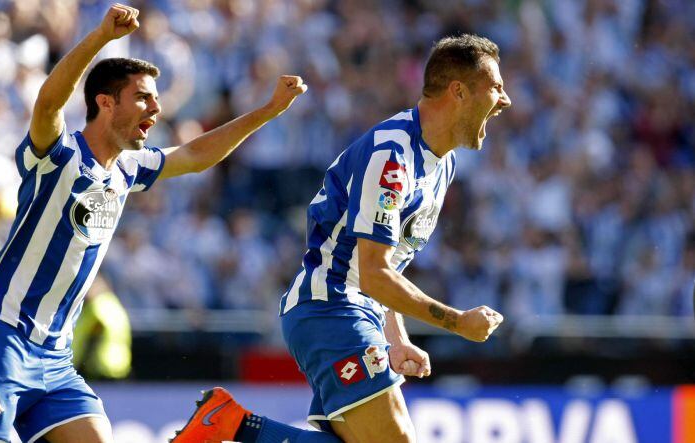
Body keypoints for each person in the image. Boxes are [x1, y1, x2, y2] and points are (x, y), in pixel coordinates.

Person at [0, 4, 307, 443]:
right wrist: (102, 38)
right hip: (1, 334)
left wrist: (268, 111)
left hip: (55, 354)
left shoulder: (127, 169)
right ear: (105, 101)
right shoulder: (57, 155)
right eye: (143, 97)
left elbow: (195, 155)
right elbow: (48, 102)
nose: (156, 108)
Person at [172, 34, 511, 443]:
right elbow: (374, 273)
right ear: (458, 91)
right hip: (330, 308)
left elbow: (389, 263)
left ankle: (230, 424)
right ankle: (229, 424)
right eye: (495, 87)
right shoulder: (391, 157)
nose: (505, 100)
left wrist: (396, 337)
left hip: (353, 312)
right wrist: (456, 322)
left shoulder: (442, 164)